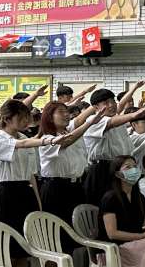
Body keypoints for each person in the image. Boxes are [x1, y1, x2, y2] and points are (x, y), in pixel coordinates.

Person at [0, 99, 44, 267]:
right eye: (22, 118)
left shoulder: (24, 138)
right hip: (8, 194)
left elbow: (31, 175)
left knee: (24, 251)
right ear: (8, 118)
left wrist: (38, 202)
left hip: (26, 194)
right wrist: (46, 140)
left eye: (28, 117)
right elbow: (20, 146)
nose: (27, 121)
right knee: (8, 249)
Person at [37, 101, 104, 250]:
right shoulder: (47, 137)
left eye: (67, 111)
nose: (66, 115)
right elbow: (67, 142)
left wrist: (96, 108)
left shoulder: (68, 131)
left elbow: (77, 123)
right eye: (61, 112)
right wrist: (89, 123)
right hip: (56, 188)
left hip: (75, 186)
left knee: (77, 232)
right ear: (49, 116)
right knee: (57, 235)